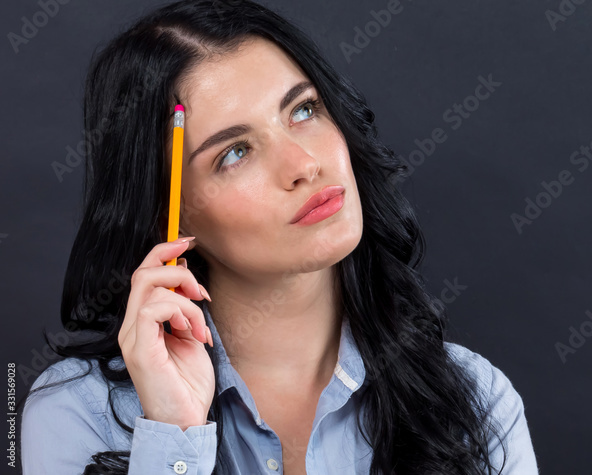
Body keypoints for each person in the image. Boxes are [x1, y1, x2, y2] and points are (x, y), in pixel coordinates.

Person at [19, 1, 538, 473]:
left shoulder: (479, 402)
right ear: (169, 213)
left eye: (304, 110)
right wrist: (174, 437)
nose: (303, 164)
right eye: (235, 152)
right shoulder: (74, 416)